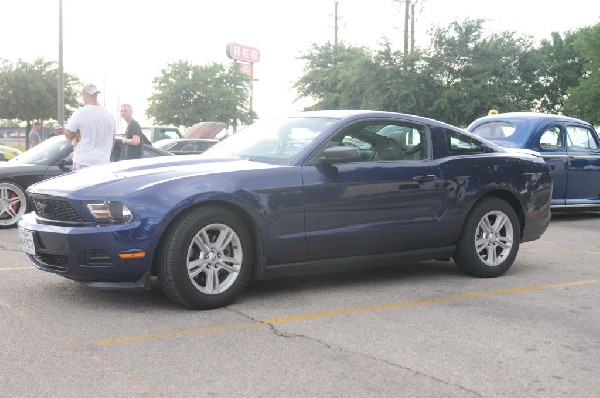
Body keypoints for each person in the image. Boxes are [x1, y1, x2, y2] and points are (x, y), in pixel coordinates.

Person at [65, 83, 116, 170]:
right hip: (103, 164)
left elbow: (68, 134)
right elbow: (112, 139)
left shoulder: (79, 113)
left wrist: (77, 135)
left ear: (85, 94)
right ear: (96, 95)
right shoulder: (110, 116)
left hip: (83, 161)